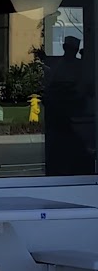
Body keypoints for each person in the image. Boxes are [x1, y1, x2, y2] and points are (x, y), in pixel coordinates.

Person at [42, 36, 94, 176]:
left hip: (75, 110)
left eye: (72, 49)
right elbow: (50, 86)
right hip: (59, 111)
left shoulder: (80, 66)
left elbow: (85, 88)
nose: (70, 51)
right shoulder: (57, 65)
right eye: (68, 48)